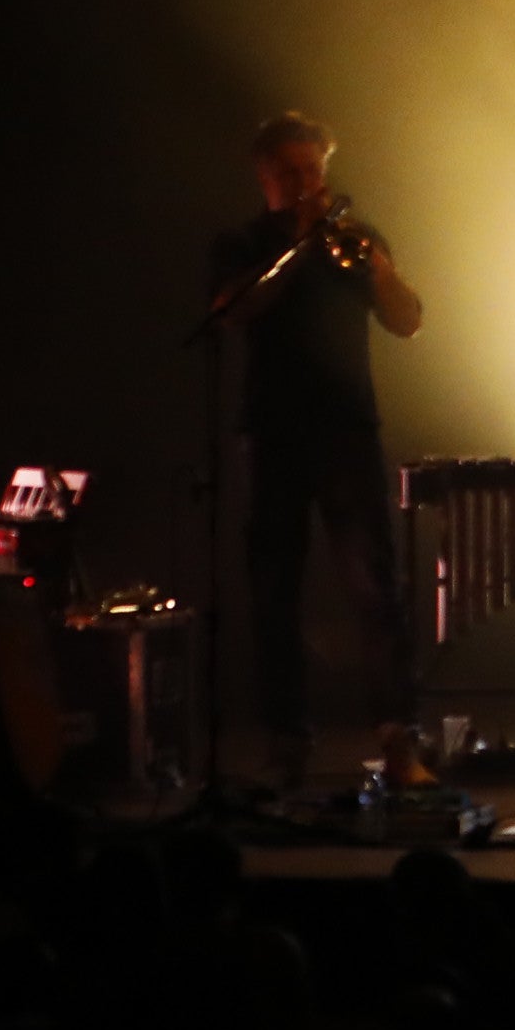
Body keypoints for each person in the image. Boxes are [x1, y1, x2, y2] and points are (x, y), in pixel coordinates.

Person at [204, 111, 425, 788]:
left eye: (315, 173)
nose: (309, 186)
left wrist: (381, 269)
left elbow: (408, 321)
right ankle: (287, 741)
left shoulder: (356, 238)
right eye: (293, 174)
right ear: (265, 178)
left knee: (374, 588)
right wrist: (298, 244)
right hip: (271, 431)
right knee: (274, 589)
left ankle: (395, 736)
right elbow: (232, 311)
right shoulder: (241, 243)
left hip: (348, 430)